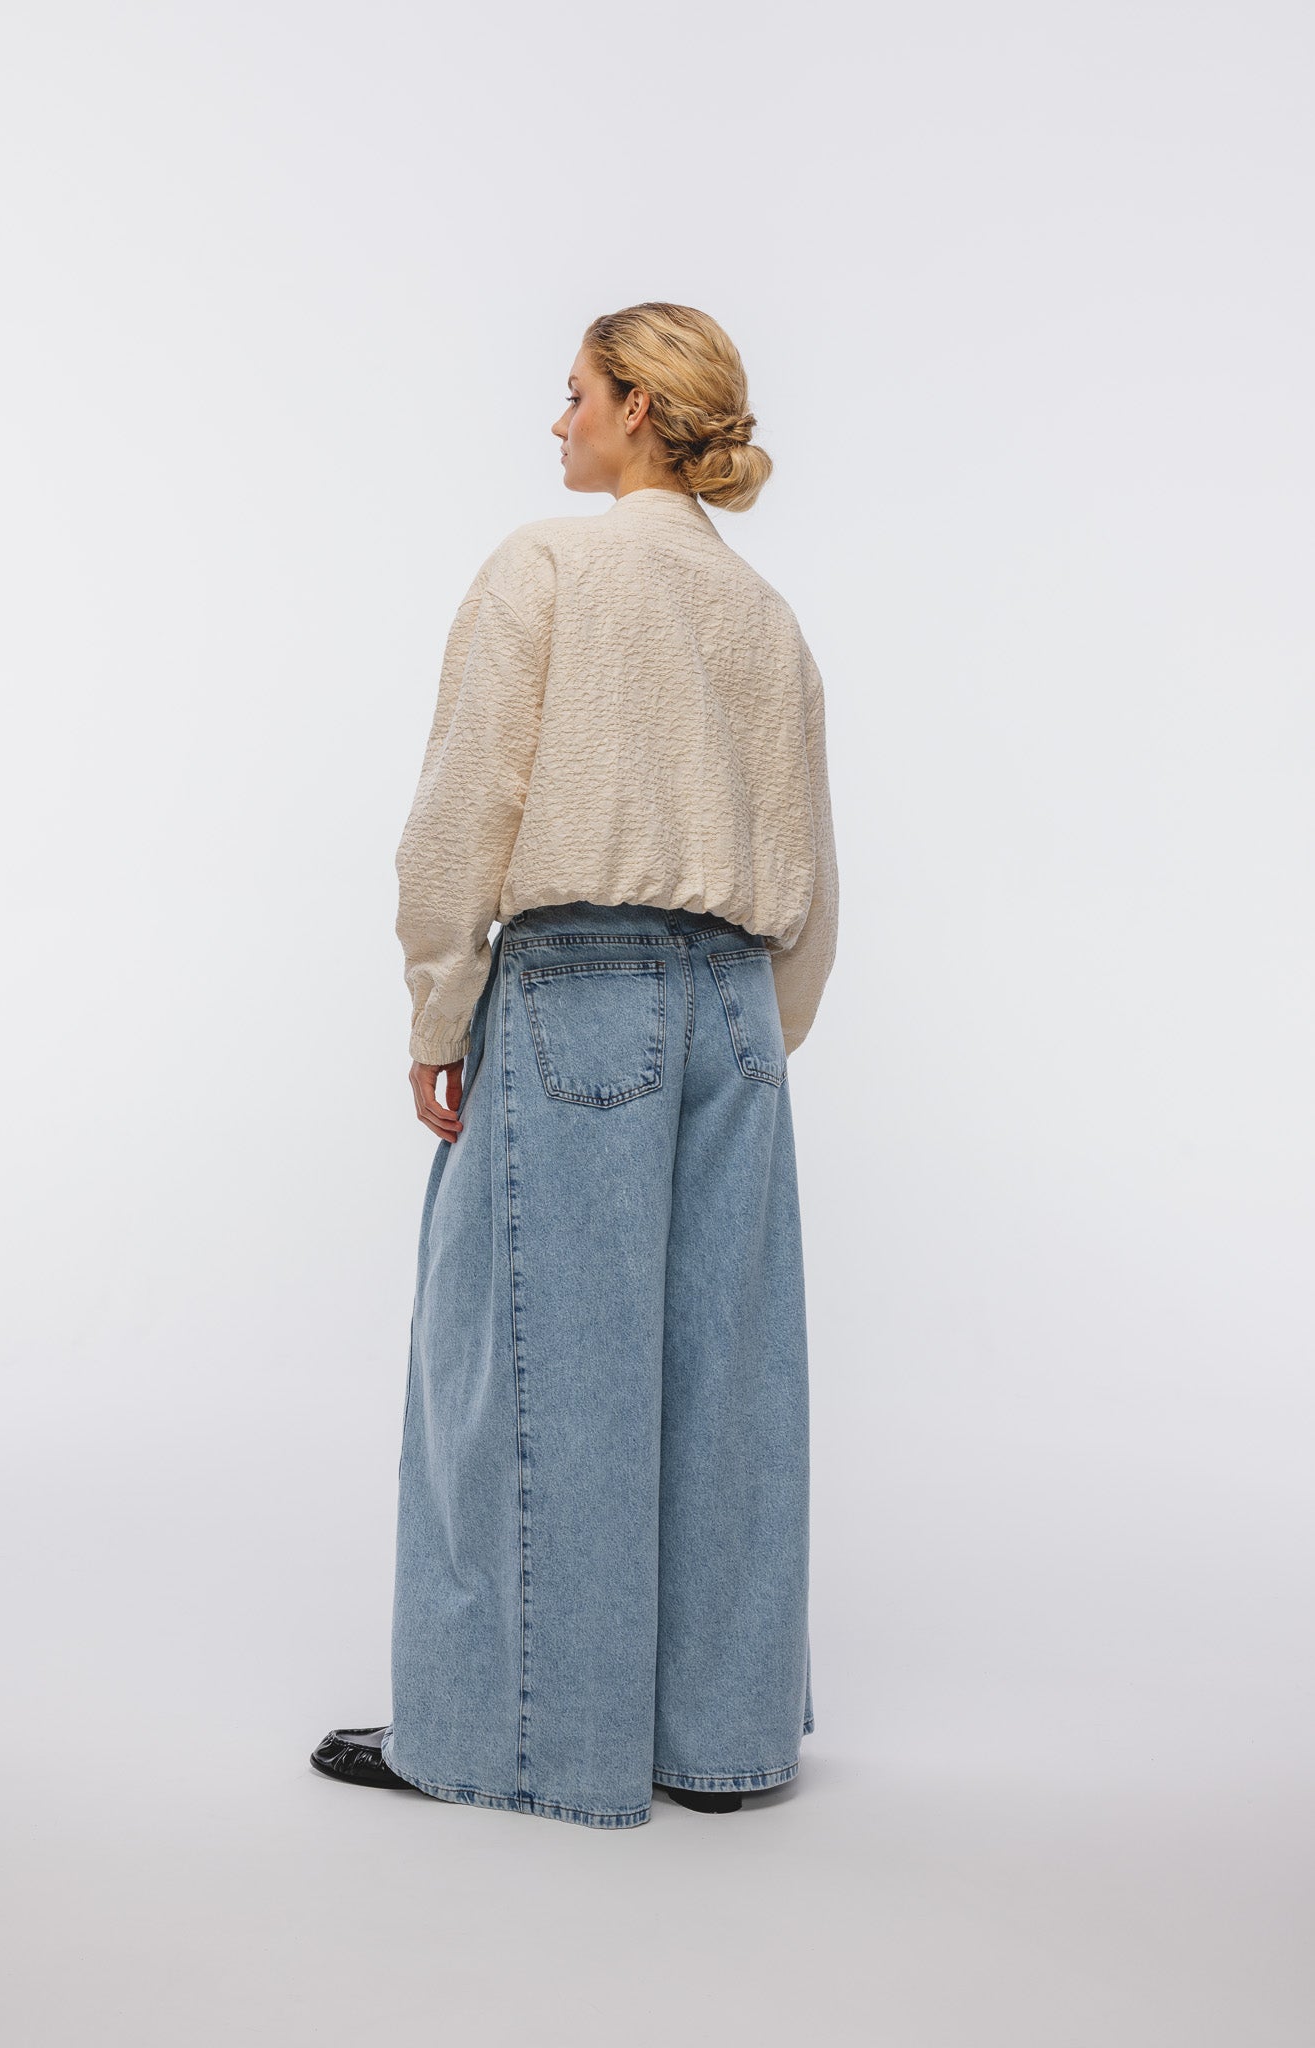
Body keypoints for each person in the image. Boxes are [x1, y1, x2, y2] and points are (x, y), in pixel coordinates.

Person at [310, 301, 840, 1828]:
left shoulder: (545, 566)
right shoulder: (765, 618)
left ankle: (509, 1739)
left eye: (574, 395)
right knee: (726, 1379)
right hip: (736, 1011)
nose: (556, 423)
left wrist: (439, 1009)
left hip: (574, 994)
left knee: (529, 1372)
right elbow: (811, 862)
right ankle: (720, 1744)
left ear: (635, 408)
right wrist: (757, 1036)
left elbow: (461, 809)